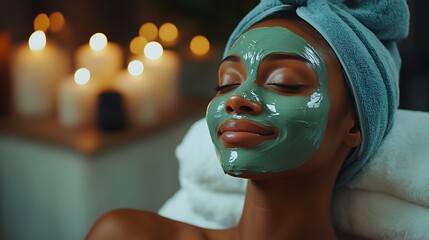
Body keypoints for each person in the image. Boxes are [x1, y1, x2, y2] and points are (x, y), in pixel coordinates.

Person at [86, 1, 409, 239]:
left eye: (285, 83)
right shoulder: (127, 234)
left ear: (353, 124)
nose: (236, 98)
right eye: (226, 83)